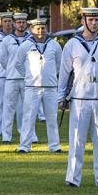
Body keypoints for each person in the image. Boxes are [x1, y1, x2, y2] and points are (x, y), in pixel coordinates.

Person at [58, 7, 98, 188]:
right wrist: (61, 96)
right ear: (83, 21)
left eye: (97, 20)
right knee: (76, 140)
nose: (94, 23)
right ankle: (73, 177)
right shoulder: (72, 44)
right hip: (79, 98)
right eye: (91, 20)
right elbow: (64, 72)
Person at [14, 18, 62, 153]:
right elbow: (18, 64)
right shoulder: (26, 45)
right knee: (28, 117)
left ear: (46, 29)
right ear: (31, 30)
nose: (41, 31)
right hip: (32, 87)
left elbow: (59, 64)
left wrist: (50, 75)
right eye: (37, 28)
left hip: (51, 88)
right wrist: (28, 76)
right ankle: (24, 146)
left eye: (43, 28)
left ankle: (54, 146)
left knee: (52, 118)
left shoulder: (54, 45)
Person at [0, 12, 34, 145]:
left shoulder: (31, 40)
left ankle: (31, 135)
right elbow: (3, 60)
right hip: (11, 78)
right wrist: (11, 69)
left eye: (23, 22)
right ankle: (6, 136)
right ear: (14, 24)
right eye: (18, 22)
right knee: (8, 108)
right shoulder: (7, 40)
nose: (21, 24)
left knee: (29, 108)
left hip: (27, 79)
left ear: (26, 24)